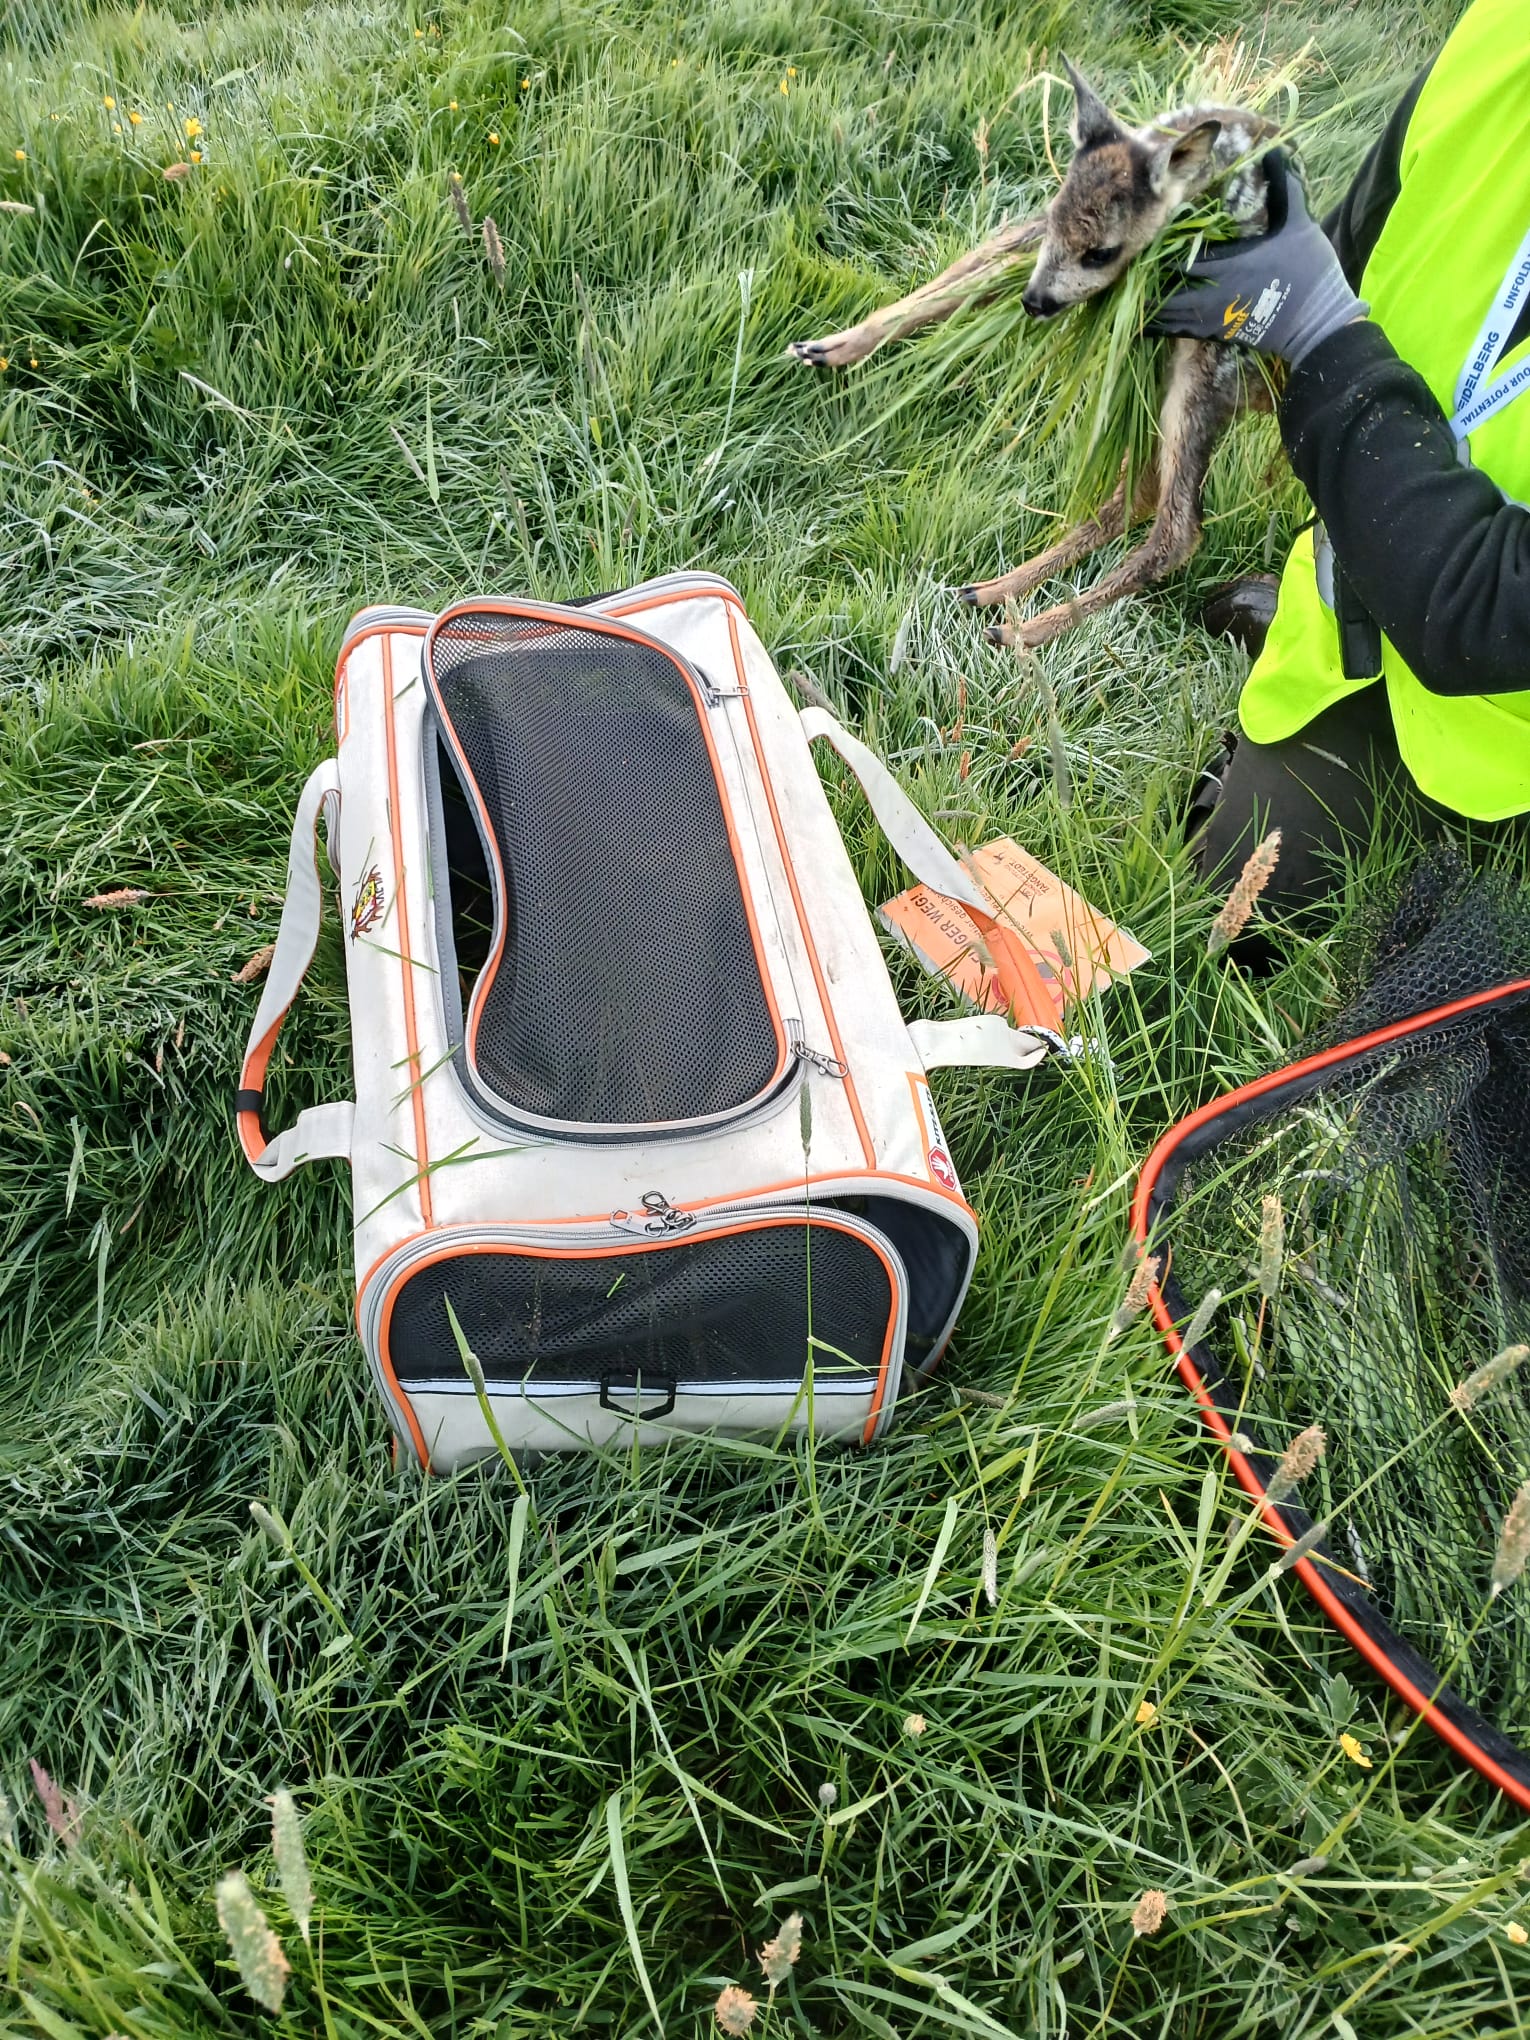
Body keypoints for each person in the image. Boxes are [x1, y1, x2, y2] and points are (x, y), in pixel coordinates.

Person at [1152, 0, 1530, 909]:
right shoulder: (1503, 35)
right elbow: (1352, 254)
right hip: (1393, 585)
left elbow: (1487, 610)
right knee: (1229, 883)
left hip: (1499, 680)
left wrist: (1319, 334)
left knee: (1270, 908)